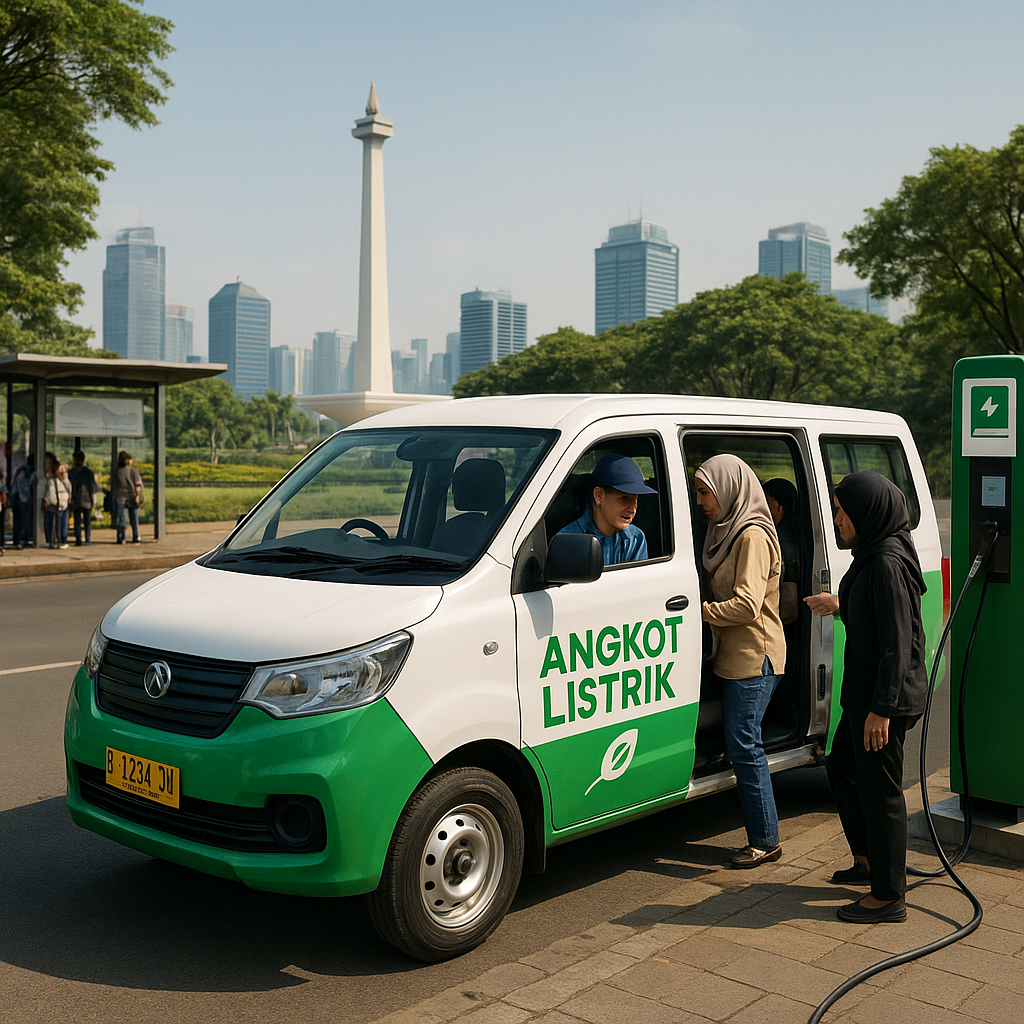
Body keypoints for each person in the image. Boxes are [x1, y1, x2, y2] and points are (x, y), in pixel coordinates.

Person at [805, 472, 927, 924]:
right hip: (869, 697)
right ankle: (869, 862)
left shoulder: (885, 563)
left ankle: (890, 896)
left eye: (842, 510)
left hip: (883, 701)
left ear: (866, 512)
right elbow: (878, 618)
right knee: (842, 769)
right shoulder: (874, 553)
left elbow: (897, 643)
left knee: (881, 792)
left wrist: (881, 710)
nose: (837, 519)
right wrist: (840, 606)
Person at [695, 454, 786, 868]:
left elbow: (748, 605)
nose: (699, 501)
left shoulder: (751, 536)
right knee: (740, 744)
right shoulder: (722, 531)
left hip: (755, 656)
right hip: (732, 657)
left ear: (728, 488)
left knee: (745, 746)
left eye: (703, 492)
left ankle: (766, 840)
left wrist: (701, 612)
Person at [557, 453, 655, 565]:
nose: (632, 509)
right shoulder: (568, 541)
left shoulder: (635, 538)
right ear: (599, 496)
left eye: (635, 499)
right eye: (624, 498)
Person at [112, 450, 143, 544]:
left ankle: (121, 537)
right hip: (132, 496)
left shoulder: (116, 471)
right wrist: (137, 496)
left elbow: (113, 486)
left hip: (120, 497)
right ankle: (135, 536)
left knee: (122, 518)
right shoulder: (133, 470)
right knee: (134, 518)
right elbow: (138, 486)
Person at [68, 450, 99, 546]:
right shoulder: (88, 472)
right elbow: (92, 486)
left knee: (77, 520)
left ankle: (78, 539)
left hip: (76, 499)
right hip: (87, 500)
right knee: (87, 521)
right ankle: (87, 538)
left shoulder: (71, 472)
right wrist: (94, 498)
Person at [43, 458, 71, 549]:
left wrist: (63, 477)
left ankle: (63, 540)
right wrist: (45, 498)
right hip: (53, 502)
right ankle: (53, 540)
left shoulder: (64, 479)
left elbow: (69, 488)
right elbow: (44, 488)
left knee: (63, 522)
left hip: (63, 502)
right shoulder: (49, 479)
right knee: (53, 523)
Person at [10, 456, 36, 548]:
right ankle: (24, 539)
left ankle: (17, 539)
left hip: (14, 496)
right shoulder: (30, 473)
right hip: (24, 498)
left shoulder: (19, 470)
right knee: (25, 520)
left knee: (17, 520)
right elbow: (30, 486)